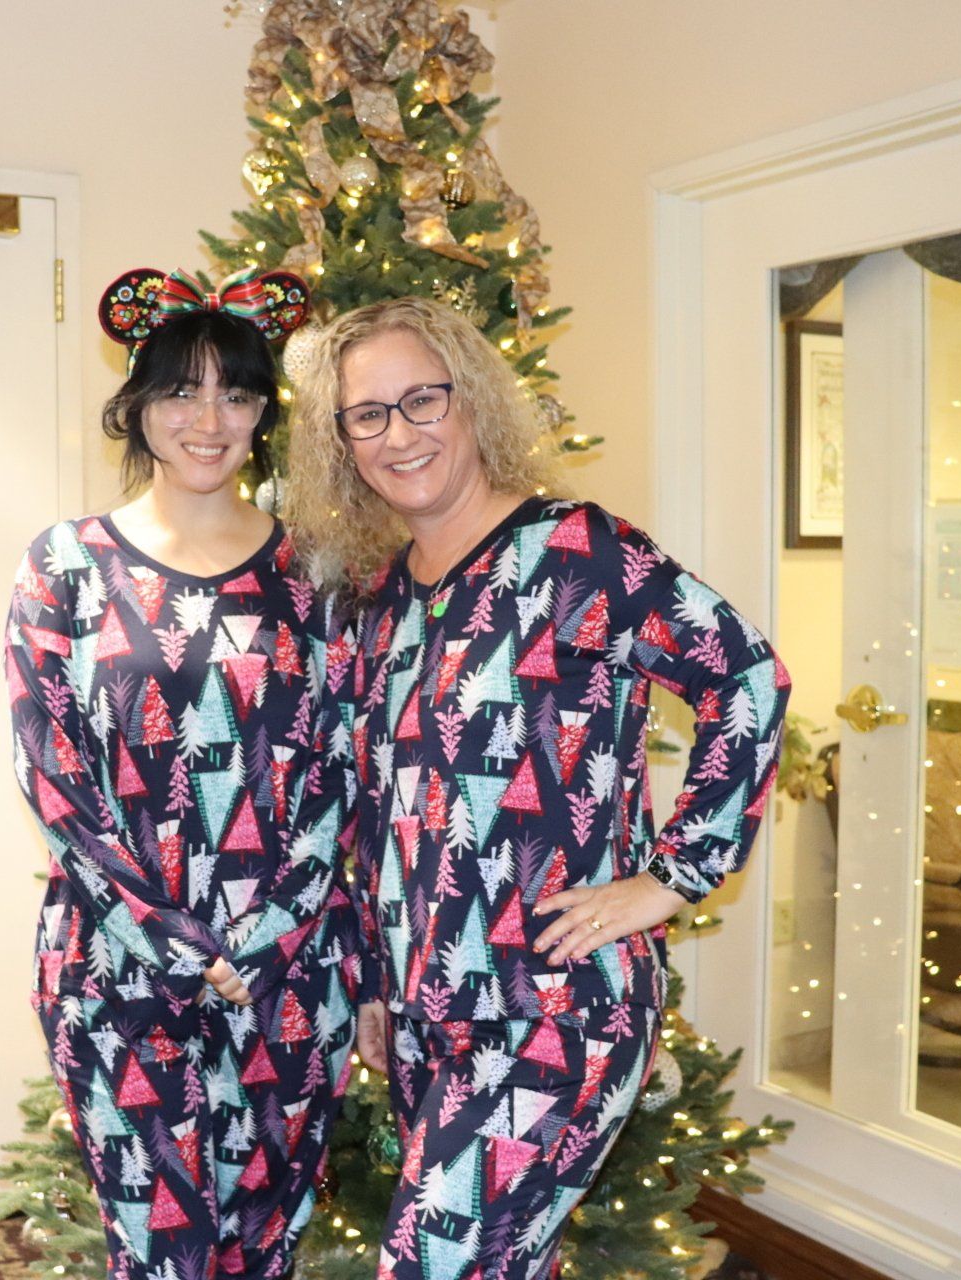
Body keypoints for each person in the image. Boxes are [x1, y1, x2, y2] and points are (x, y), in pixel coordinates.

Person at [285, 296, 791, 1279]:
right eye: (369, 414)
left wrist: (670, 877)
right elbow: (385, 815)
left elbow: (745, 678)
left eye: (422, 399)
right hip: (434, 1008)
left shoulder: (576, 551)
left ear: (470, 401)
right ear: (343, 441)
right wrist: (380, 985)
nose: (401, 432)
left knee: (436, 1263)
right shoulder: (380, 598)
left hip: (558, 1002)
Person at [7, 267, 366, 1280]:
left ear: (265, 410)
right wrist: (169, 940)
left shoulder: (321, 570)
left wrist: (261, 939)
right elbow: (53, 777)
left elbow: (344, 769)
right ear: (136, 404)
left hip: (289, 969)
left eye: (238, 392)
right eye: (181, 391)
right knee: (159, 1251)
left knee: (265, 1242)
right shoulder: (65, 564)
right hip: (114, 965)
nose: (210, 418)